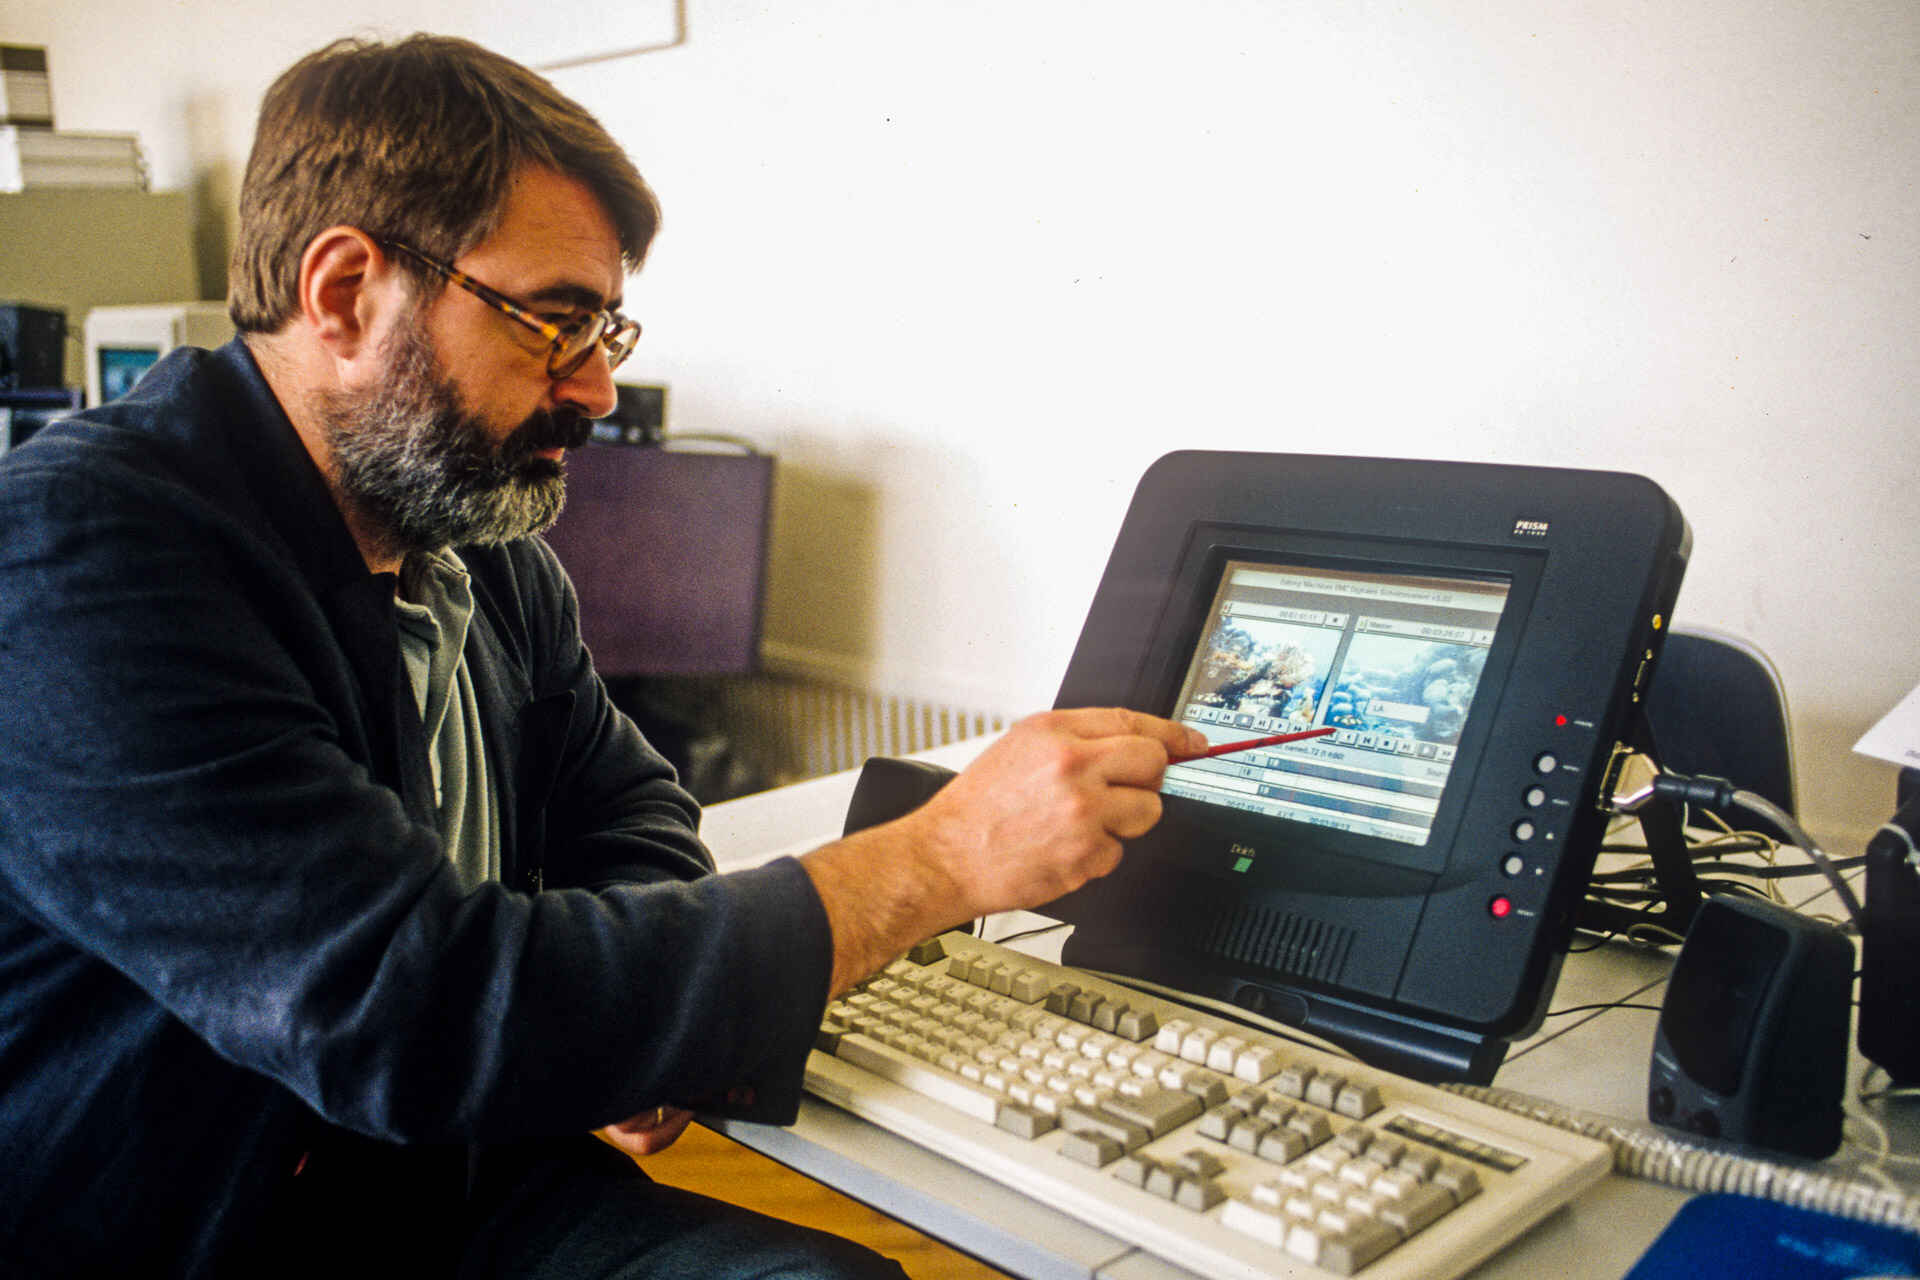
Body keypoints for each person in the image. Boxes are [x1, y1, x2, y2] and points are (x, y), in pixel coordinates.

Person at [0, 33, 1203, 1280]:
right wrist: (942, 856)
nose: (594, 392)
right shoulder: (78, 553)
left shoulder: (475, 542)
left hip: (441, 1183)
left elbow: (621, 805)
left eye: (606, 330)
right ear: (347, 290)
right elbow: (406, 1013)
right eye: (553, 323)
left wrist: (631, 1031)